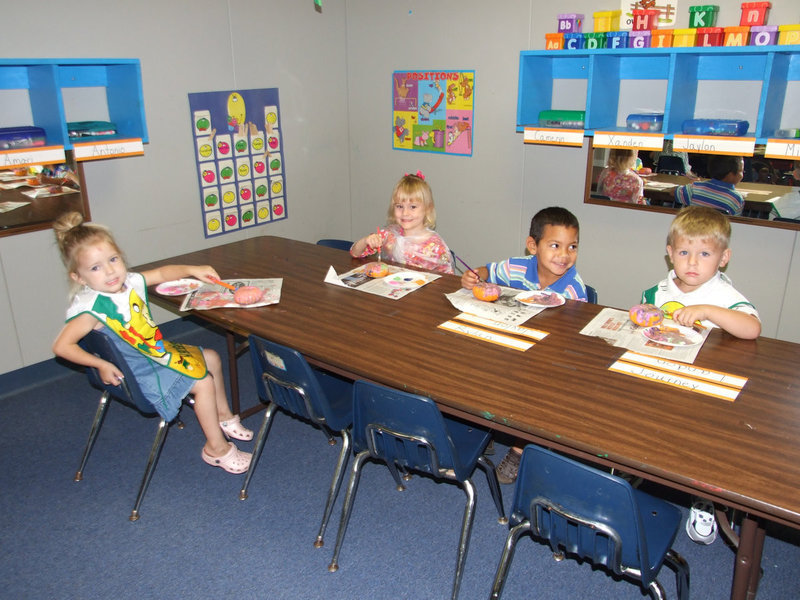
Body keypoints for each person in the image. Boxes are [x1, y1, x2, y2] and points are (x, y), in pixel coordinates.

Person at [51, 212, 253, 474]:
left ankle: (223, 417)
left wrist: (192, 269)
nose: (110, 271)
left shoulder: (128, 283)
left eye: (113, 260)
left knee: (212, 357)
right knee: (202, 381)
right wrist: (98, 363)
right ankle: (216, 449)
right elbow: (61, 346)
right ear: (79, 278)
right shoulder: (91, 309)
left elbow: (161, 272)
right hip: (139, 370)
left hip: (153, 353)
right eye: (95, 268)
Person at [641, 205, 761, 544]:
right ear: (670, 255)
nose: (692, 263)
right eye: (684, 252)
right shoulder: (660, 291)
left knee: (702, 445)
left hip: (706, 388)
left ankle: (704, 497)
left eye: (704, 253)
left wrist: (708, 311)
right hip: (664, 376)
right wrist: (646, 314)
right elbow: (644, 320)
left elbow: (752, 328)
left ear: (723, 258)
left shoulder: (723, 295)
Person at [461, 206, 588, 484]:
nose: (564, 255)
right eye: (555, 245)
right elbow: (488, 271)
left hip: (549, 358)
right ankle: (489, 427)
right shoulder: (517, 267)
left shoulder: (573, 290)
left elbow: (573, 337)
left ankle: (519, 448)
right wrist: (475, 276)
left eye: (572, 247)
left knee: (537, 392)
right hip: (516, 346)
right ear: (533, 246)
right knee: (483, 365)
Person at [350, 171, 454, 274]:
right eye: (399, 206)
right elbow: (355, 253)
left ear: (427, 209)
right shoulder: (389, 235)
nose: (405, 213)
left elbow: (447, 280)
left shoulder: (435, 246)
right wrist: (366, 241)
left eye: (413, 207)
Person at [674, 154, 745, 216]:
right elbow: (735, 222)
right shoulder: (737, 199)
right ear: (731, 175)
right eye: (741, 171)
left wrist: (690, 185)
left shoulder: (693, 188)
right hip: (717, 230)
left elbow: (673, 192)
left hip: (693, 228)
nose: (743, 174)